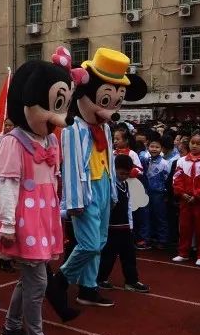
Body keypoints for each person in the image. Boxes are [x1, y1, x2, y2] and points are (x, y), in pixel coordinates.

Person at [0, 50, 75, 335]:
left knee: (28, 280)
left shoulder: (51, 142)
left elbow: (54, 181)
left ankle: (12, 328)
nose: (60, 116)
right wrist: (9, 224)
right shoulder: (13, 142)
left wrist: (62, 210)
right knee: (38, 283)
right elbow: (9, 185)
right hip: (25, 222)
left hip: (44, 219)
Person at [60, 47, 140, 308]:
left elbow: (109, 160)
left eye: (117, 101)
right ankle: (60, 280)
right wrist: (74, 201)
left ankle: (88, 287)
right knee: (91, 243)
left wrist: (114, 192)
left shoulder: (103, 128)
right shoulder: (73, 129)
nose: (112, 109)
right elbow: (71, 168)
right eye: (107, 101)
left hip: (104, 185)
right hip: (85, 190)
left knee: (101, 241)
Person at [98, 153, 149, 292]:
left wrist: (131, 226)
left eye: (127, 174)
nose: (124, 176)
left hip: (125, 227)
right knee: (109, 255)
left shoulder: (126, 185)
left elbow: (129, 207)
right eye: (121, 173)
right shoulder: (108, 185)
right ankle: (101, 278)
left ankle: (131, 281)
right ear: (114, 169)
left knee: (129, 255)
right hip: (111, 227)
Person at [172, 131, 200, 267]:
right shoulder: (181, 160)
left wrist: (196, 195)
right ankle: (183, 252)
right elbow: (176, 178)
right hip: (185, 200)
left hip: (199, 202)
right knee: (184, 227)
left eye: (198, 143)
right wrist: (182, 193)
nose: (194, 146)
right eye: (192, 143)